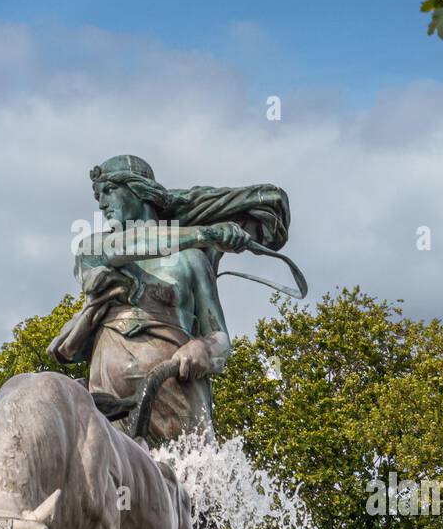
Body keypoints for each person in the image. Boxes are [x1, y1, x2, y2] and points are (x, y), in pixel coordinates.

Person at [49, 154, 292, 444]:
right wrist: (208, 233)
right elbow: (134, 244)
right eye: (97, 195)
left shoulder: (190, 260)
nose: (101, 204)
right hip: (108, 401)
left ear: (138, 190)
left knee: (192, 485)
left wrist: (202, 346)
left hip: (176, 391)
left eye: (109, 191)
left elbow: (221, 336)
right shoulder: (94, 249)